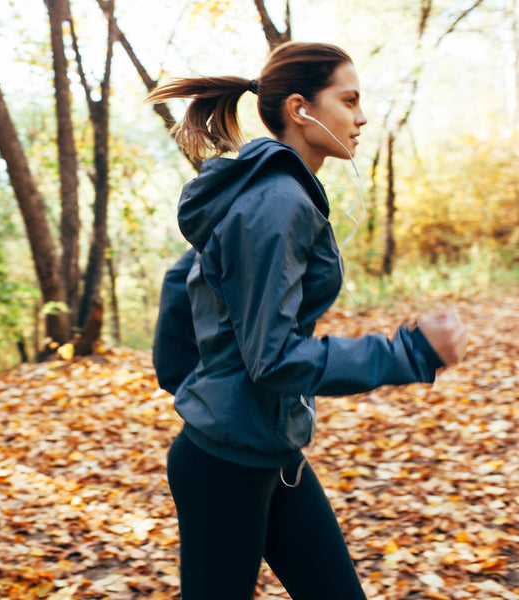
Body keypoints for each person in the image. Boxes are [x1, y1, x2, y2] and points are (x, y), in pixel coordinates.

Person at [148, 41, 468, 600]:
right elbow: (272, 358)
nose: (362, 116)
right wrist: (411, 352)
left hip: (264, 450)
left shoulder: (261, 190)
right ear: (302, 109)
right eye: (349, 100)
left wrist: (197, 389)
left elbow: (183, 281)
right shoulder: (277, 203)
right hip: (226, 464)